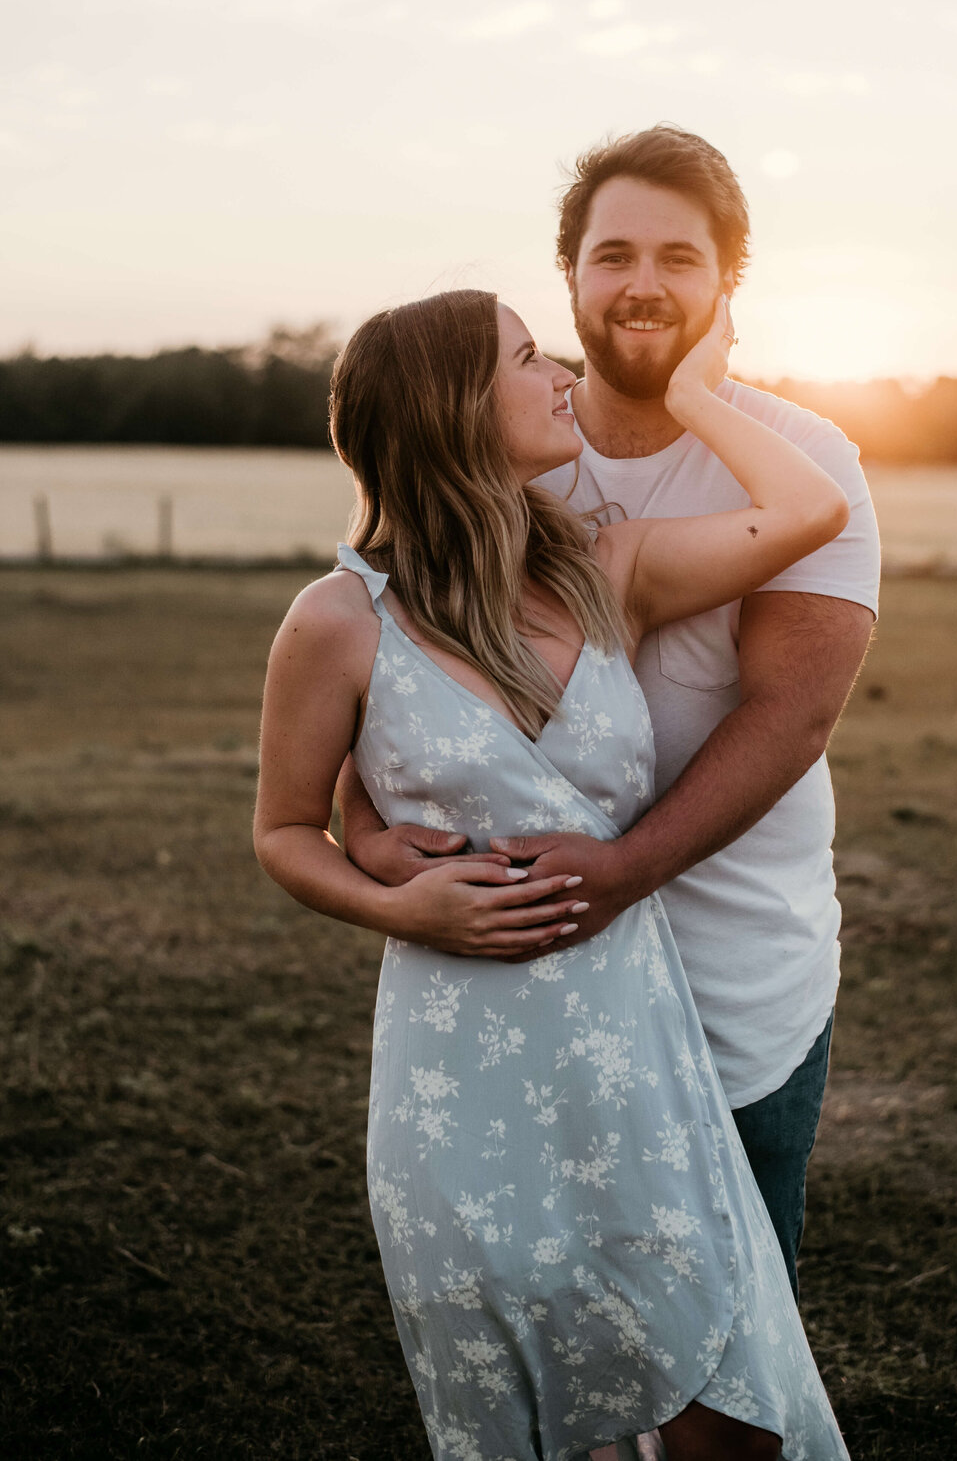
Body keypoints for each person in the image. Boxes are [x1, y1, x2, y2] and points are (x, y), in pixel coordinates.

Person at [254, 287, 852, 1460]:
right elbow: (281, 828)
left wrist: (691, 393)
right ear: (455, 410)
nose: (562, 368)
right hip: (455, 1066)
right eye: (530, 357)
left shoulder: (603, 571)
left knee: (721, 1406)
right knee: (532, 1406)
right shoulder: (337, 620)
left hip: (632, 1045)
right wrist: (394, 895)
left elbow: (812, 504)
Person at [340, 128, 881, 1291]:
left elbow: (790, 717)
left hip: (737, 967)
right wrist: (372, 833)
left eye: (681, 259)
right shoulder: (514, 452)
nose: (643, 284)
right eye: (613, 254)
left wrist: (627, 866)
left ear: (727, 284)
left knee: (728, 1322)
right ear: (572, 276)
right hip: (534, 968)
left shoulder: (804, 453)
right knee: (564, 1306)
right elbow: (386, 672)